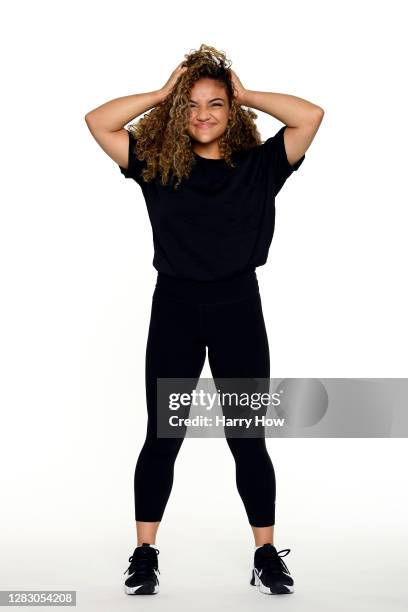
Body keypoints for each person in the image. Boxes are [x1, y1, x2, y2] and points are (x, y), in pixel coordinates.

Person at [85, 43, 324, 596]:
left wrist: (246, 93)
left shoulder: (261, 166)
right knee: (163, 436)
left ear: (232, 110)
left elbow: (310, 115)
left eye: (216, 104)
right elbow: (98, 122)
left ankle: (266, 554)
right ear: (178, 112)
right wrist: (163, 94)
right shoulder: (158, 163)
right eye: (191, 106)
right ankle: (144, 554)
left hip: (238, 309)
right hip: (174, 310)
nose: (203, 115)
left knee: (248, 437)